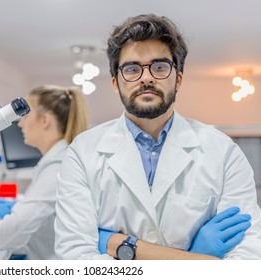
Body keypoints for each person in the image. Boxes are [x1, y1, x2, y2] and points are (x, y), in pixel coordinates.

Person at [54, 14, 261, 260]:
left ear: (179, 79)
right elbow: (75, 260)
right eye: (131, 69)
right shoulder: (82, 152)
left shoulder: (223, 151)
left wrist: (120, 245)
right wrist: (194, 260)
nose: (146, 77)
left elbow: (248, 259)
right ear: (115, 83)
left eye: (160, 67)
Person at [0, 85, 89, 260]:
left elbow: (4, 237)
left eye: (25, 116)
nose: (20, 123)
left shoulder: (59, 166)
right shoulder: (57, 158)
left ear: (44, 120)